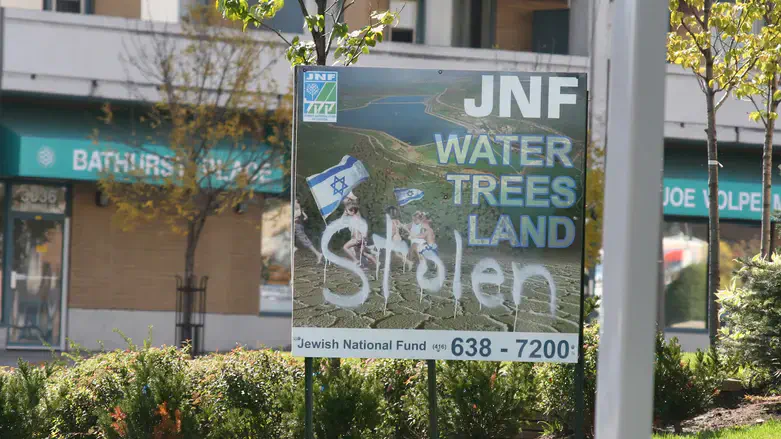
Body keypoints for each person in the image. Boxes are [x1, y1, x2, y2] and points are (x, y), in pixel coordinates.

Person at [343, 202, 377, 267]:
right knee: (363, 253)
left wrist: (357, 237)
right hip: (361, 238)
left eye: (347, 211)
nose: (346, 212)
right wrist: (364, 237)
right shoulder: (357, 218)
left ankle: (356, 260)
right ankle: (377, 263)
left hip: (356, 238)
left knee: (345, 247)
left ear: (352, 211)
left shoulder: (354, 219)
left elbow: (357, 229)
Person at [294, 199, 322, 264]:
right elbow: (305, 217)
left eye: (295, 201)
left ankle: (318, 254)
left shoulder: (297, 207)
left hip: (296, 225)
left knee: (304, 241)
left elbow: (298, 215)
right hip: (296, 225)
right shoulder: (297, 208)